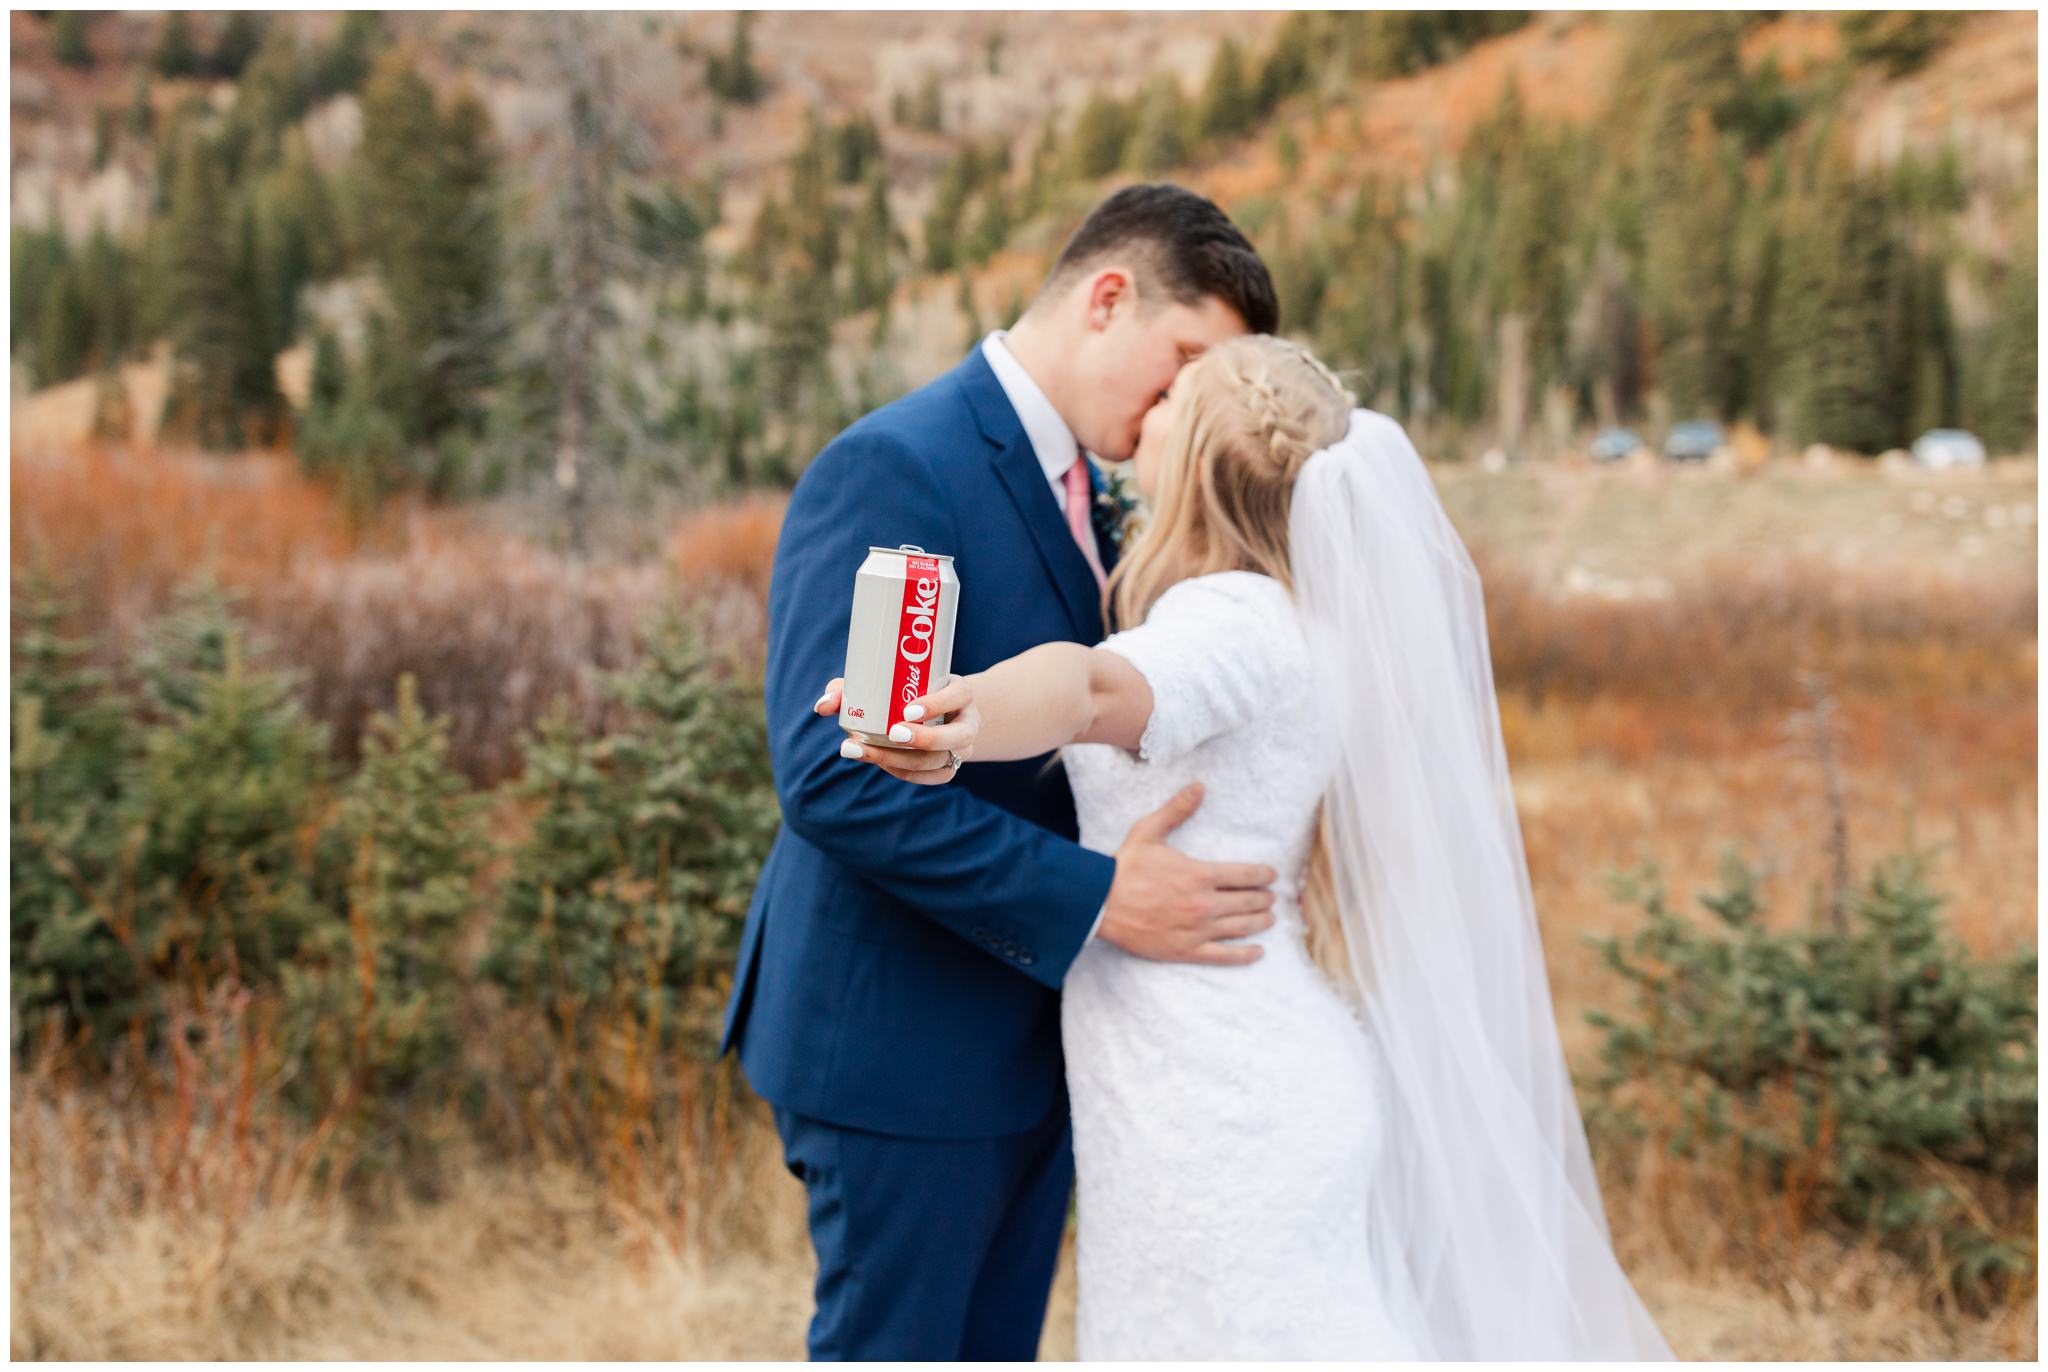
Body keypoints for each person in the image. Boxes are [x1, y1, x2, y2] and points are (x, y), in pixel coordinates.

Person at [820, 334, 1676, 1359]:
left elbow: (1090, 690)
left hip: (1223, 1105)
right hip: (1205, 1079)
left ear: (1195, 459)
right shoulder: (1297, 625)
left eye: (1177, 388)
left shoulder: (1231, 621)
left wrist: (959, 713)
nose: (1152, 395)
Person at [718, 183, 1285, 1360]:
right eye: (1182, 361)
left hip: (1030, 1053)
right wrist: (1096, 897)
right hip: (901, 1051)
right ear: (1106, 297)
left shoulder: (1108, 497)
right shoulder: (900, 470)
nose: (1183, 403)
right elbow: (843, 774)